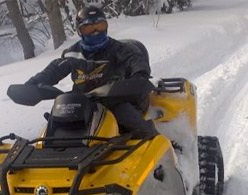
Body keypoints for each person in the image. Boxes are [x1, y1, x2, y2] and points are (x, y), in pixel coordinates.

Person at [24, 5, 156, 138]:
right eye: (89, 28)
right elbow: (54, 70)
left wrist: (140, 75)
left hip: (114, 98)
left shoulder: (121, 49)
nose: (95, 32)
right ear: (80, 31)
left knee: (126, 116)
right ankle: (52, 149)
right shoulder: (72, 53)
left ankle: (155, 139)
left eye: (100, 26)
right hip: (81, 101)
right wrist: (34, 84)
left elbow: (136, 61)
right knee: (57, 116)